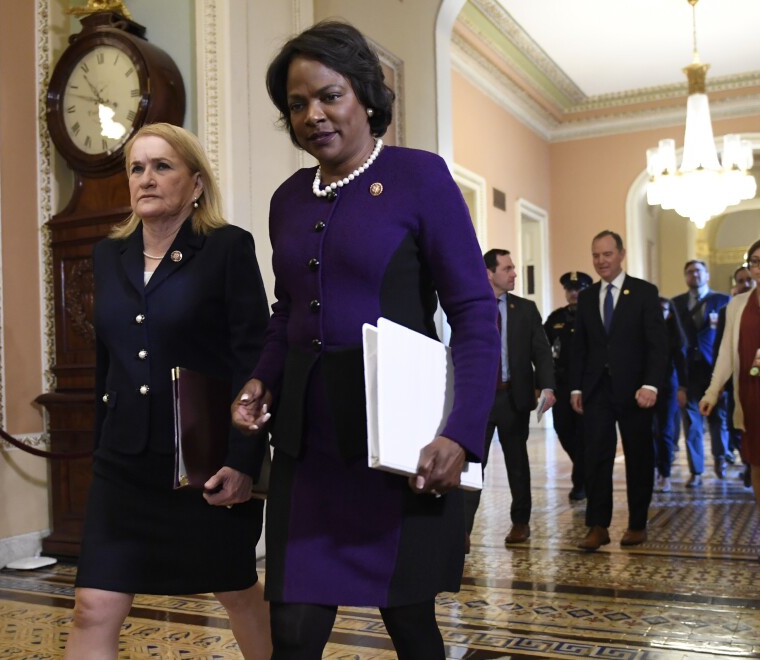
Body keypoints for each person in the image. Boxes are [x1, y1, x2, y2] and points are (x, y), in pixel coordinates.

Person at [232, 20, 498, 659]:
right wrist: (260, 378)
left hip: (397, 442)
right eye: (297, 104)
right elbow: (286, 310)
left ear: (367, 96)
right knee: (292, 630)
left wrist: (459, 433)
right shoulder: (287, 200)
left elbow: (474, 313)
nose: (313, 115)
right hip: (307, 444)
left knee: (409, 624)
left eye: (329, 95)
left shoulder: (420, 177)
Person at [64, 123, 272, 660]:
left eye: (163, 166)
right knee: (93, 605)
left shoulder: (226, 248)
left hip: (203, 462)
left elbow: (253, 358)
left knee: (236, 590)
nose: (147, 179)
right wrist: (99, 449)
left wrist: (245, 458)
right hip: (124, 465)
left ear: (196, 182)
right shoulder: (109, 256)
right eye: (137, 167)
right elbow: (107, 362)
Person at [570, 230, 667, 551]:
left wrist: (651, 384)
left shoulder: (644, 292)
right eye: (596, 255)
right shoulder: (586, 297)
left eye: (607, 254)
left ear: (621, 255)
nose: (601, 261)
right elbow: (579, 347)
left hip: (636, 391)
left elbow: (658, 345)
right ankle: (598, 526)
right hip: (597, 390)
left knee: (639, 457)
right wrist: (575, 388)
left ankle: (637, 524)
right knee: (596, 457)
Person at [463, 249, 555, 550]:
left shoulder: (525, 309)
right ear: (490, 273)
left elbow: (541, 351)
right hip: (480, 400)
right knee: (474, 464)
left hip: (513, 399)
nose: (514, 273)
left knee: (518, 464)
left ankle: (520, 522)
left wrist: (547, 387)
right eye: (508, 268)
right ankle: (463, 529)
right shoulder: (473, 307)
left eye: (513, 268)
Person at [701, 239, 760, 530]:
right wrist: (712, 391)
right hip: (750, 395)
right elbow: (726, 352)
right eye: (755, 261)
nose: (759, 267)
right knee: (757, 463)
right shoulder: (736, 304)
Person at [672, 260, 731, 486]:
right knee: (691, 423)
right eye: (689, 272)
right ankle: (696, 471)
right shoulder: (676, 304)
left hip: (714, 369)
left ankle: (720, 457)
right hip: (688, 372)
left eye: (698, 271)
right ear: (685, 276)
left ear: (706, 275)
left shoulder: (723, 301)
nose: (694, 275)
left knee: (719, 418)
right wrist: (679, 383)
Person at [544, 270, 592, 501]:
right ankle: (584, 469)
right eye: (570, 289)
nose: (574, 293)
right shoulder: (556, 318)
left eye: (579, 289)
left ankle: (581, 482)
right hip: (562, 384)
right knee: (563, 430)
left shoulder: (594, 315)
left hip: (586, 385)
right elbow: (543, 347)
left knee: (585, 434)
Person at [716, 265, 757, 485]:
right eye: (741, 280)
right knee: (738, 427)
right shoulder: (728, 310)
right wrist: (718, 382)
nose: (746, 284)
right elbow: (721, 348)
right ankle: (749, 463)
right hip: (739, 384)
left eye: (748, 280)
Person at [653, 297, 687, 493]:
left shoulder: (675, 335)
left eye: (663, 309)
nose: (659, 313)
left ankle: (665, 473)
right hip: (646, 386)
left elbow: (681, 364)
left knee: (664, 430)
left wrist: (683, 388)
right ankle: (653, 469)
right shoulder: (644, 332)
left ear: (670, 313)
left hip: (668, 386)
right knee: (648, 432)